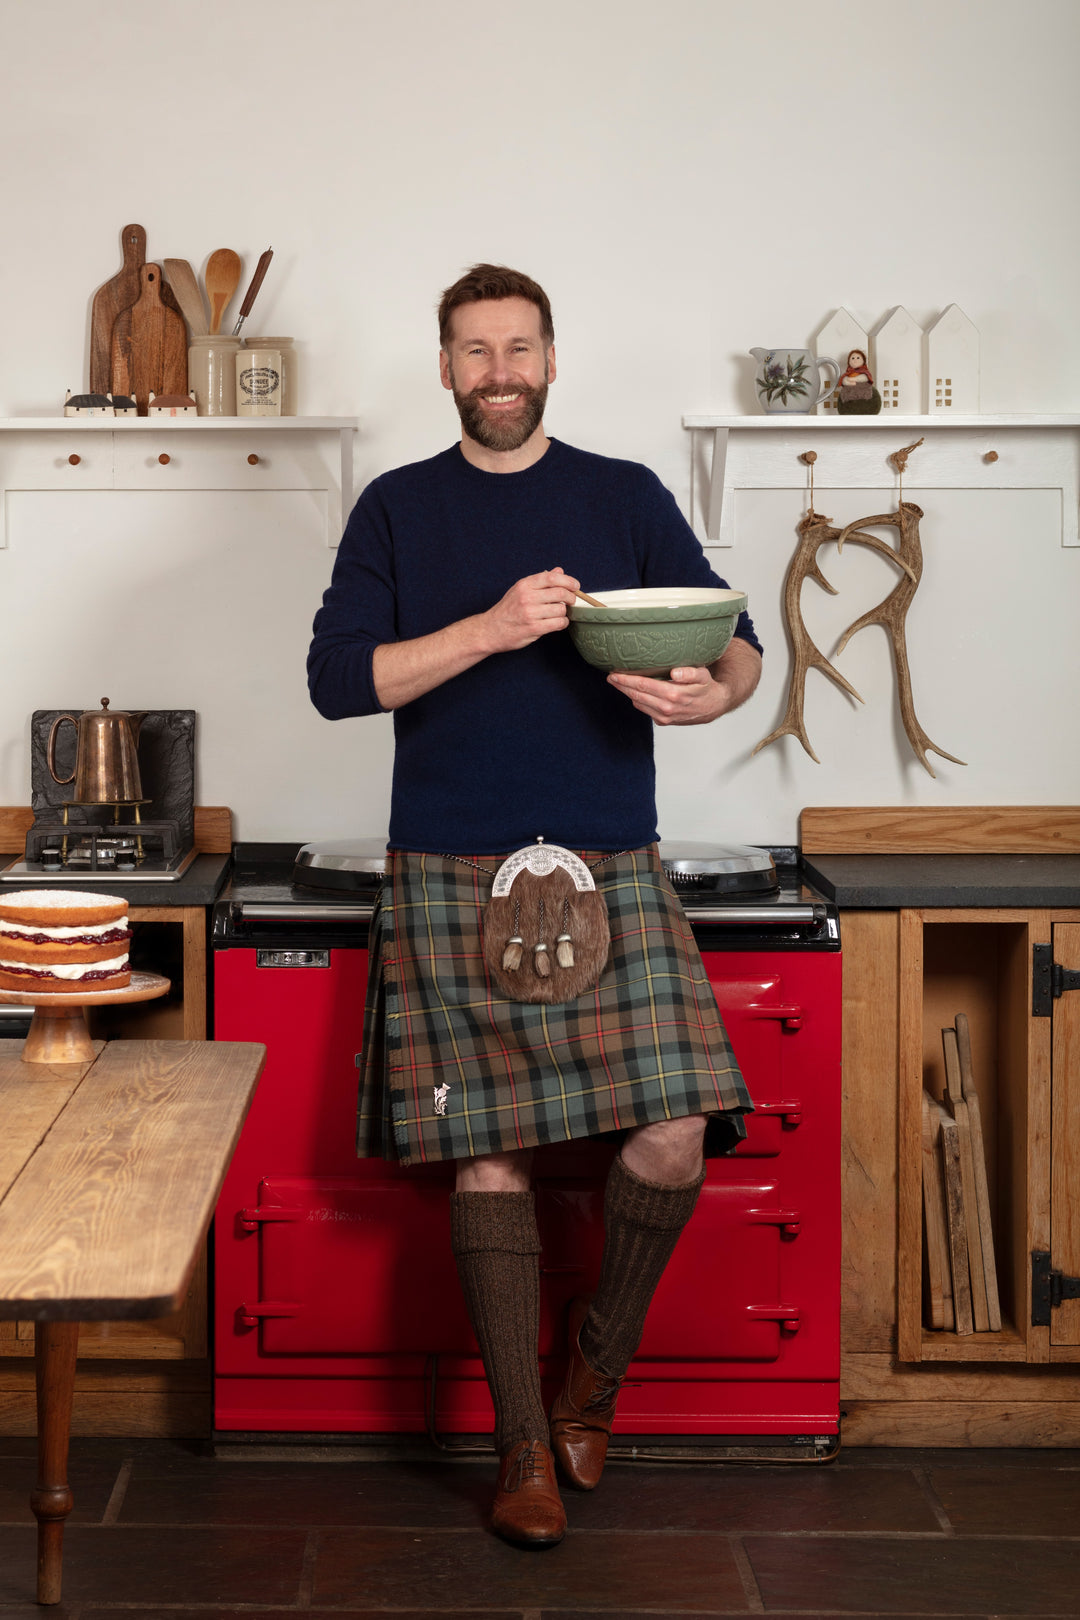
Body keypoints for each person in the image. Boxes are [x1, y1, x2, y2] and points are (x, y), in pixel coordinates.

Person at [307, 264, 763, 1549]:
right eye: (474, 350)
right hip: (453, 863)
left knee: (677, 1129)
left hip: (612, 860)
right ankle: (523, 1445)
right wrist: (491, 629)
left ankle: (590, 1383)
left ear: (552, 359)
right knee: (489, 1155)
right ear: (444, 368)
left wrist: (714, 695)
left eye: (520, 347)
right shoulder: (397, 509)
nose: (499, 370)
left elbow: (736, 637)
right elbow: (341, 681)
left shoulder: (622, 495)